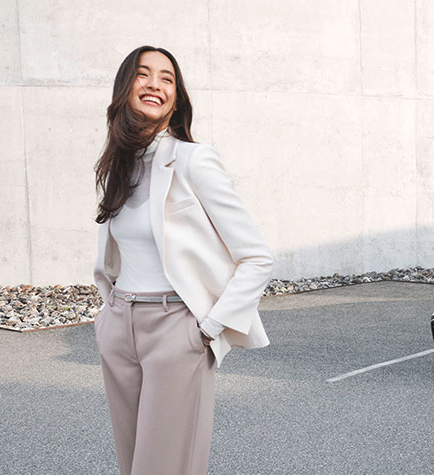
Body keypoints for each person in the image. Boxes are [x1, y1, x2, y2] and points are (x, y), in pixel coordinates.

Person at [92, 45, 273, 475]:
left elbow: (257, 257)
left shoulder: (193, 160)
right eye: (143, 74)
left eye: (167, 78)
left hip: (176, 328)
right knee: (131, 464)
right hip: (120, 325)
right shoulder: (119, 167)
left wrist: (208, 330)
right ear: (125, 87)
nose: (155, 83)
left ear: (176, 98)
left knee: (165, 468)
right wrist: (106, 316)